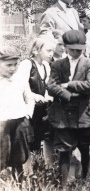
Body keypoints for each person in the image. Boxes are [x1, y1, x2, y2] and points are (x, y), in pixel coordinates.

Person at [47, 30, 90, 185]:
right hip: (63, 114)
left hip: (84, 114)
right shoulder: (57, 64)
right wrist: (69, 95)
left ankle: (85, 179)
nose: (76, 52)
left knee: (84, 147)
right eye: (73, 49)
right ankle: (63, 185)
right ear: (66, 47)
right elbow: (50, 86)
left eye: (80, 50)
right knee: (64, 150)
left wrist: (68, 84)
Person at [15, 36, 56, 166]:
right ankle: (27, 171)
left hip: (42, 108)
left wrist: (48, 96)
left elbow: (47, 86)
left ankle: (49, 167)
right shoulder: (27, 65)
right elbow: (20, 87)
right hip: (29, 108)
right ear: (36, 50)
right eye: (48, 50)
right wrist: (34, 96)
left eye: (52, 51)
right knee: (27, 139)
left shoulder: (45, 65)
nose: (51, 54)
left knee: (47, 136)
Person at [0, 45, 34, 177]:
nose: (13, 68)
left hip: (19, 121)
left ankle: (19, 181)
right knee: (2, 153)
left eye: (15, 65)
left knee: (19, 154)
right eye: (8, 65)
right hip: (2, 123)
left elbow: (29, 98)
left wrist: (28, 113)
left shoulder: (20, 79)